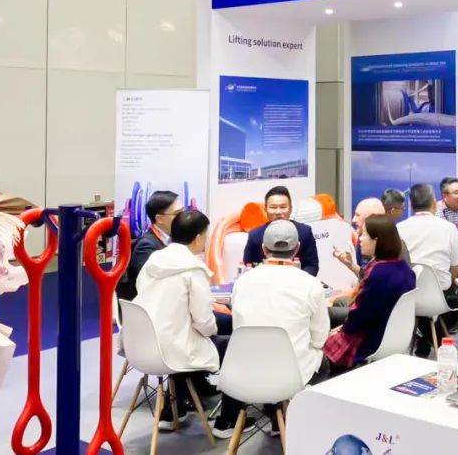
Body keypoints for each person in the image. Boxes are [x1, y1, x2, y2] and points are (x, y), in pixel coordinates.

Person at [215, 220, 330, 437]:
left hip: (243, 372)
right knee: (321, 360)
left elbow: (239, 326)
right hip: (291, 377)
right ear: (297, 249)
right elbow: (319, 338)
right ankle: (294, 425)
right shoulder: (310, 284)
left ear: (263, 249)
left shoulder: (242, 282)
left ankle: (275, 419)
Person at [133, 209, 220, 431]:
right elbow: (204, 321)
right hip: (173, 351)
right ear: (198, 238)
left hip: (140, 344)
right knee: (229, 339)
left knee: (187, 333)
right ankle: (229, 415)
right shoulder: (193, 269)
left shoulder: (154, 260)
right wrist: (211, 330)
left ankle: (178, 403)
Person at [324, 216, 415, 372]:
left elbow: (361, 316)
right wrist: (350, 265)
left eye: (364, 234)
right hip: (392, 333)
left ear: (376, 240)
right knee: (339, 305)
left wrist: (340, 329)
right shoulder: (403, 268)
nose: (359, 239)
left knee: (318, 347)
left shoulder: (378, 273)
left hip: (370, 339)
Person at [397, 183, 458, 355]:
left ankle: (425, 338)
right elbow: (456, 265)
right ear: (434, 204)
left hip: (408, 296)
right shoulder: (448, 228)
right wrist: (449, 282)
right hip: (441, 296)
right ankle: (432, 336)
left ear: (411, 205)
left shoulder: (399, 228)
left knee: (421, 305)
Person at [242, 185, 320, 276]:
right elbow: (248, 266)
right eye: (273, 207)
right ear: (265, 209)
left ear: (290, 209)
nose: (278, 212)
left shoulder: (304, 232)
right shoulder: (255, 236)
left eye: (283, 207)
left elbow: (312, 265)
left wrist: (298, 280)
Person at [118, 190, 182, 301]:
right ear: (159, 219)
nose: (183, 217)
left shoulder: (173, 240)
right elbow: (151, 286)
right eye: (177, 214)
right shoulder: (146, 246)